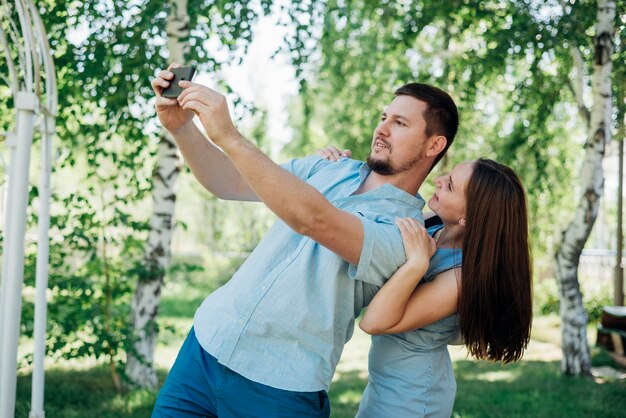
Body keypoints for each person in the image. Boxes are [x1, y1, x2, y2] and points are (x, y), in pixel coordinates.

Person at [149, 63, 459, 417]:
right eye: (384, 117)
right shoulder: (328, 167)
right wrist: (182, 128)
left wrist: (229, 135)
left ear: (434, 144)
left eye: (400, 123)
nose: (382, 129)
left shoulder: (407, 233)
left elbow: (314, 220)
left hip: (278, 389)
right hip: (204, 347)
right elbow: (228, 182)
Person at [351, 157, 532, 418]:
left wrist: (416, 264)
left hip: (412, 398)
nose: (437, 180)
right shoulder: (433, 225)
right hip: (386, 386)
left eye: (449, 186)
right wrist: (340, 165)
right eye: (447, 176)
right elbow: (368, 211)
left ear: (468, 218)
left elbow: (373, 323)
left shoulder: (459, 279)